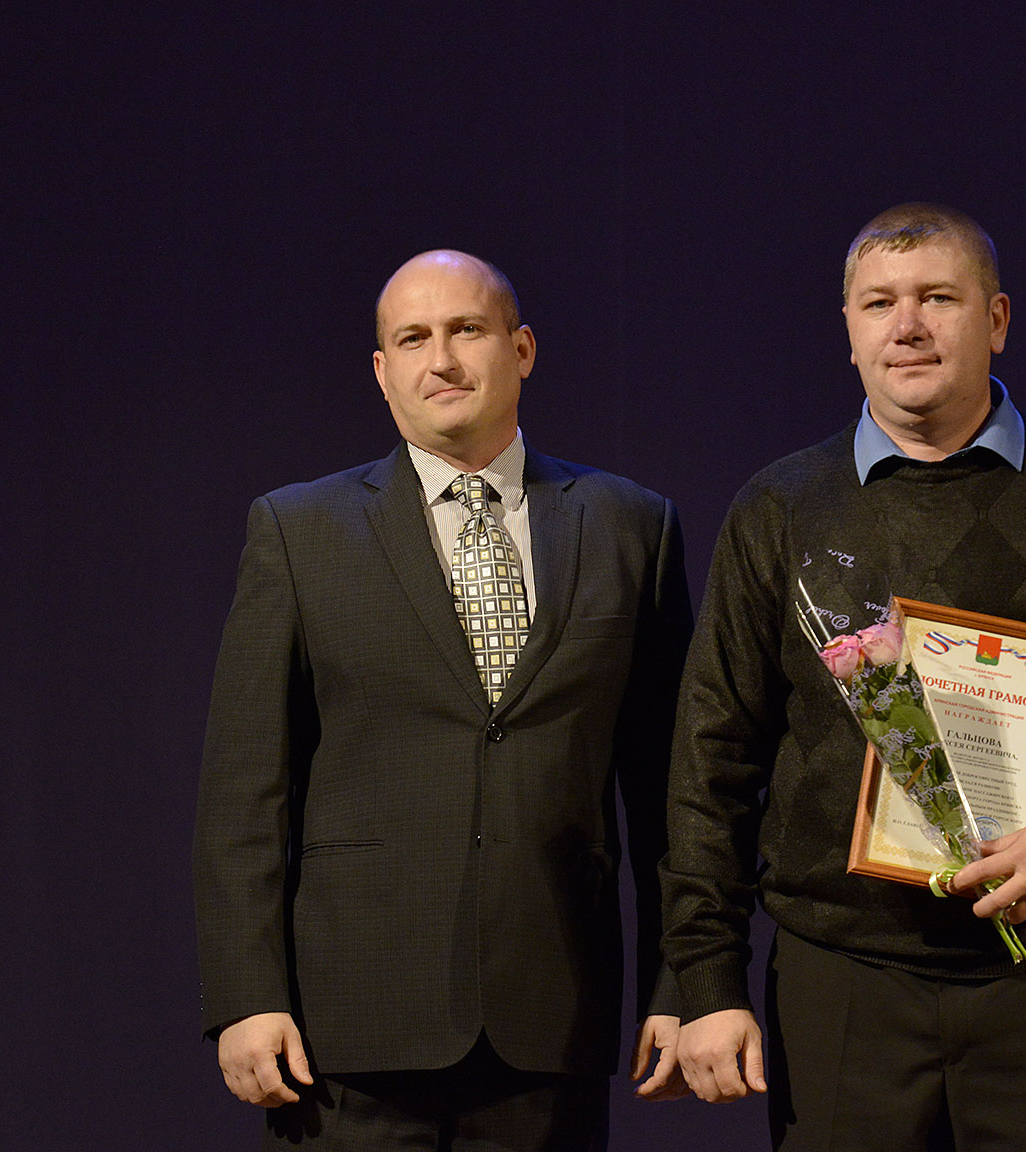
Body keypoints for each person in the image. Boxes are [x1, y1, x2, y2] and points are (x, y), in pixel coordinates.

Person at [661, 204, 1026, 1150]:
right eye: (878, 303)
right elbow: (709, 756)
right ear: (849, 332)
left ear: (997, 319)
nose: (908, 326)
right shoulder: (780, 507)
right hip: (841, 983)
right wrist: (706, 978)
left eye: (938, 298)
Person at [194, 249, 691, 1149]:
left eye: (467, 330)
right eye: (413, 339)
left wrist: (682, 983)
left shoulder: (630, 525)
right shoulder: (298, 531)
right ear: (382, 370)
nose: (443, 361)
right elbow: (245, 794)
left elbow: (668, 792)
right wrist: (246, 995)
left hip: (551, 1018)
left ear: (522, 349)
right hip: (348, 1032)